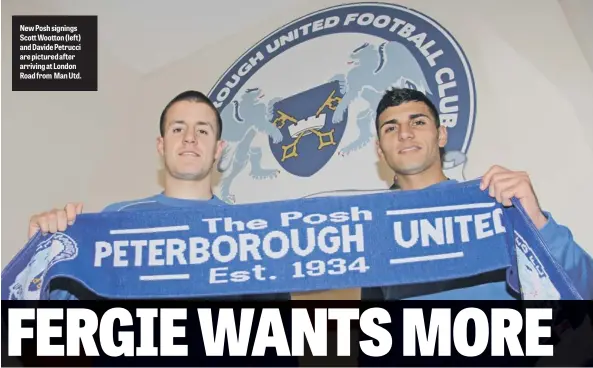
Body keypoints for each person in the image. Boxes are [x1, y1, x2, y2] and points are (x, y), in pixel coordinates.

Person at [28, 90, 290, 302]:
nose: (190, 138)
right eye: (178, 129)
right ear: (161, 145)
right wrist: (43, 253)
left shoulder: (250, 233)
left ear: (218, 149)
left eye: (202, 130)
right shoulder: (115, 220)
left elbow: (277, 340)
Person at [363, 87, 593, 301]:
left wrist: (535, 222)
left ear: (441, 135)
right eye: (391, 128)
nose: (405, 134)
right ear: (380, 149)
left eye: (418, 122)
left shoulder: (496, 205)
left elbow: (585, 290)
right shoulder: (374, 238)